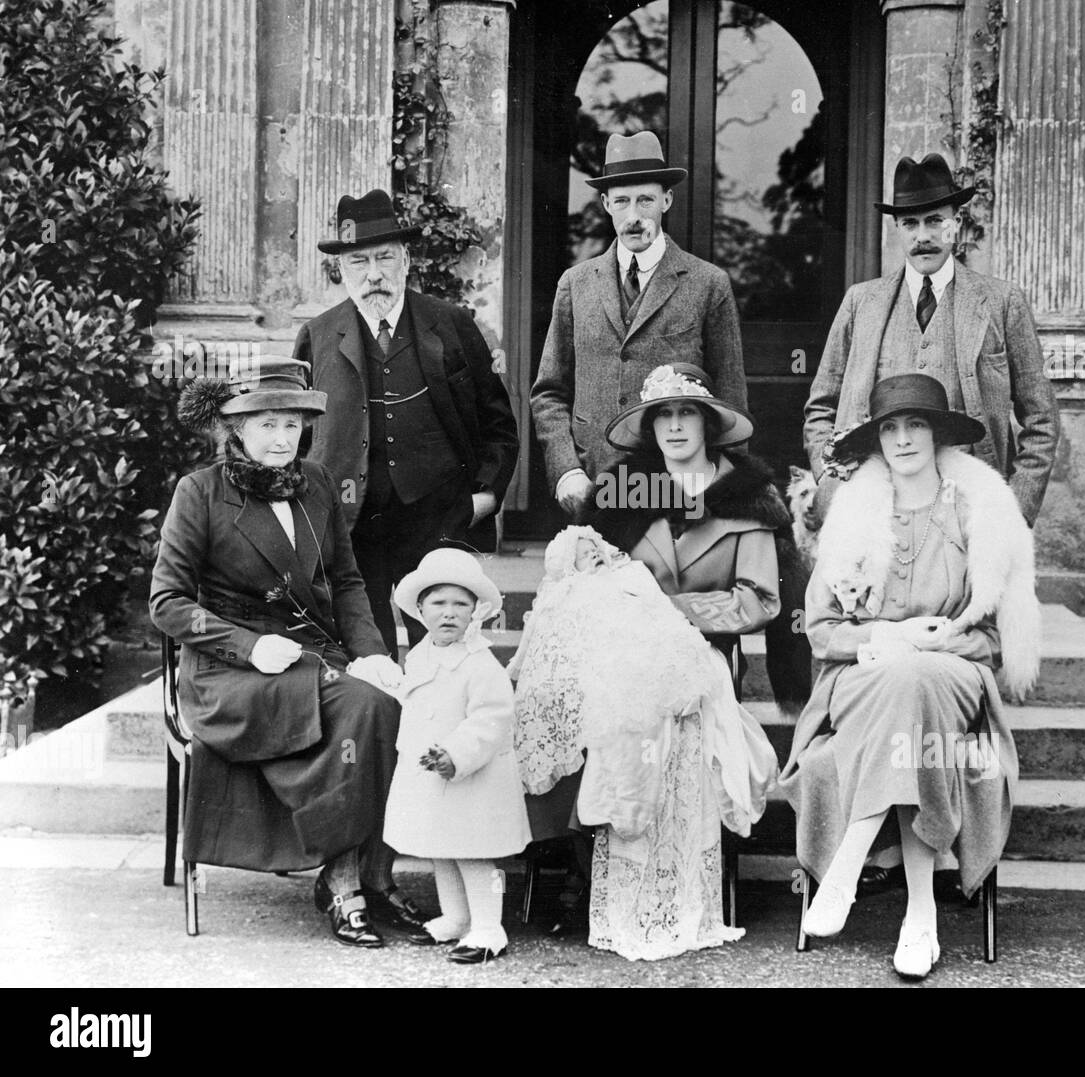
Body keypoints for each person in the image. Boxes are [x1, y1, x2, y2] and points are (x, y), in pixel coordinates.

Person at [150, 356, 434, 948]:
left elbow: (348, 580)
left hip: (311, 653)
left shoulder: (319, 484)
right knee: (361, 708)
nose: (282, 439)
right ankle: (346, 880)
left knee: (384, 698)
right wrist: (250, 648)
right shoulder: (199, 492)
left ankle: (371, 875)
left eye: (291, 425)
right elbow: (168, 603)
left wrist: (372, 653)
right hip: (229, 670)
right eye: (266, 426)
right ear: (236, 430)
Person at [779, 373, 1038, 980]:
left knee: (916, 681)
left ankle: (850, 857)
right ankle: (920, 913)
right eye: (890, 428)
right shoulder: (854, 518)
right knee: (901, 679)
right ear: (876, 442)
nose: (902, 439)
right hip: (864, 678)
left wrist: (949, 637)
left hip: (953, 678)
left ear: (938, 434)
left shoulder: (981, 514)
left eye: (916, 424)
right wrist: (889, 637)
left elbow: (996, 639)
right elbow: (821, 632)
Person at [576, 363, 781, 961]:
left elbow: (760, 598)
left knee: (671, 710)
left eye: (685, 412)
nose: (673, 426)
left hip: (704, 655)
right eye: (661, 415)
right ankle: (615, 883)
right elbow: (592, 573)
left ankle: (680, 885)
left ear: (709, 423)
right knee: (620, 705)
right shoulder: (623, 493)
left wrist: (675, 610)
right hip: (627, 652)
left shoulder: (747, 497)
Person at [294, 189, 519, 655]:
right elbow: (299, 440)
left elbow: (498, 423)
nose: (373, 274)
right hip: (354, 526)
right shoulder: (317, 336)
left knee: (443, 655)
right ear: (341, 269)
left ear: (407, 258)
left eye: (384, 258)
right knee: (367, 655)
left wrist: (483, 496)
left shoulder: (451, 324)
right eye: (358, 262)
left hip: (437, 522)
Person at [803, 153, 1059, 526]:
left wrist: (1013, 510)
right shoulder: (862, 302)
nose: (923, 236)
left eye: (935, 221)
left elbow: (1042, 419)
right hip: (876, 512)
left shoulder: (1002, 302)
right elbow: (820, 408)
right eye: (910, 223)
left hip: (970, 510)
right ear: (897, 228)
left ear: (956, 225)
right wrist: (833, 482)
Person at [531, 131, 747, 518]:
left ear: (667, 199)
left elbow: (730, 400)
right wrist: (567, 472)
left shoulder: (707, 284)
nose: (634, 217)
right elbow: (549, 393)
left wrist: (723, 496)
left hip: (678, 493)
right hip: (594, 486)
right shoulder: (575, 284)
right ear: (605, 204)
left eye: (645, 200)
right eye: (622, 202)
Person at [509, 525, 718, 838]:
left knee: (631, 712)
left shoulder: (627, 574)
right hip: (583, 669)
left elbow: (652, 612)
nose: (592, 555)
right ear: (568, 565)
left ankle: (617, 810)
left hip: (629, 661)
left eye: (594, 548)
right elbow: (543, 639)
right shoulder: (566, 590)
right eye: (582, 555)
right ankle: (582, 829)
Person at [383, 549, 530, 965]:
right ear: (421, 609)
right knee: (440, 849)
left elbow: (492, 718)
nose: (449, 614)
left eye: (460, 604)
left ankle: (488, 929)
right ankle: (456, 916)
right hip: (430, 776)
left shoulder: (480, 663)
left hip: (472, 777)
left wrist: (457, 753)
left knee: (474, 853)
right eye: (438, 603)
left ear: (475, 611)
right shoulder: (420, 655)